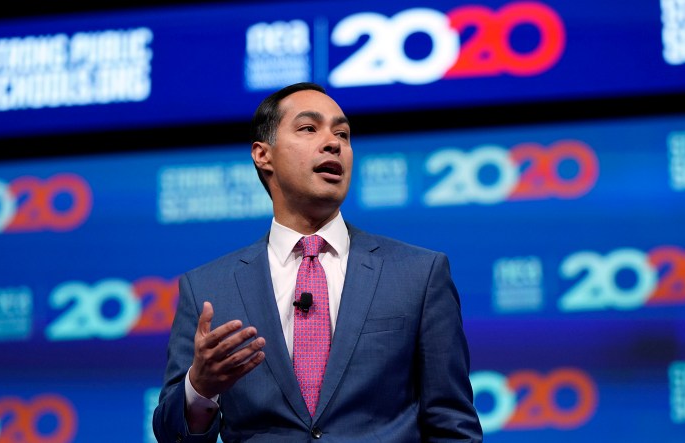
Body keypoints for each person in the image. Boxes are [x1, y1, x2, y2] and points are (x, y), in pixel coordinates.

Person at [152, 82, 483, 442]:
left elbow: (453, 425)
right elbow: (173, 436)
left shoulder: (419, 275)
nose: (333, 143)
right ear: (263, 155)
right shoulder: (207, 289)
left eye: (342, 133)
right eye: (309, 128)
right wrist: (199, 389)